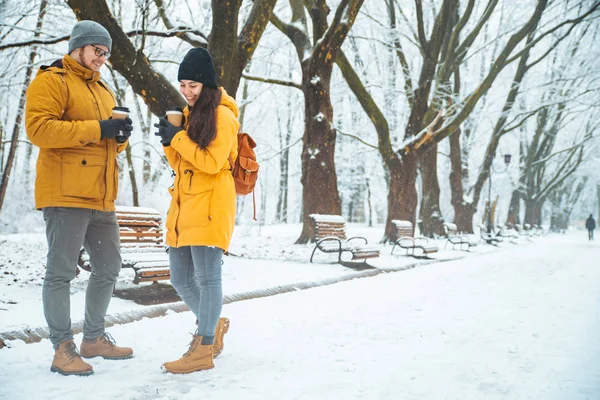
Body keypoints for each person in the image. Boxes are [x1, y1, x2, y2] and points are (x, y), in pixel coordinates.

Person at [25, 20, 134, 376]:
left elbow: (107, 142)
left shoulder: (102, 90)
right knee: (60, 273)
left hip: (101, 198)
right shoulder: (51, 80)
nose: (103, 58)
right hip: (65, 194)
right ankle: (62, 347)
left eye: (106, 54)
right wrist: (98, 128)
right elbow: (39, 129)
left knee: (108, 269)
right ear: (79, 47)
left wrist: (120, 136)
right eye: (98, 51)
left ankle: (93, 338)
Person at [154, 48, 238, 374]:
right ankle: (213, 325)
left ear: (208, 85)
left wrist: (178, 138)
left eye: (194, 85)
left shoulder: (223, 116)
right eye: (183, 84)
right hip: (185, 205)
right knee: (179, 278)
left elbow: (212, 162)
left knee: (206, 277)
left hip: (211, 205)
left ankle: (203, 348)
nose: (187, 91)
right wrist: (169, 139)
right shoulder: (190, 116)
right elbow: (182, 163)